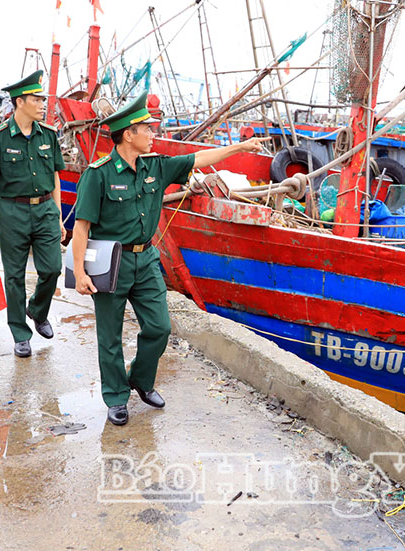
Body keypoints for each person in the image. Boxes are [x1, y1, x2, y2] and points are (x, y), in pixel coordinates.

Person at [71, 92, 269, 426]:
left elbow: (199, 158)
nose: (153, 133)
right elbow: (81, 226)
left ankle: (141, 380)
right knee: (110, 336)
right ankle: (116, 398)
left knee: (160, 328)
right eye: (146, 129)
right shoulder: (98, 174)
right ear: (128, 135)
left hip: (146, 259)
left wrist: (239, 148)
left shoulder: (156, 166)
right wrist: (79, 272)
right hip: (109, 261)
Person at [0, 70, 65, 358]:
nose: (43, 104)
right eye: (37, 99)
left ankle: (38, 310)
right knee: (14, 276)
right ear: (19, 102)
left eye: (43, 99)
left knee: (53, 268)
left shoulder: (49, 135)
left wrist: (58, 216)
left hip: (44, 210)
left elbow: (54, 177)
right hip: (12, 212)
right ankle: (20, 333)